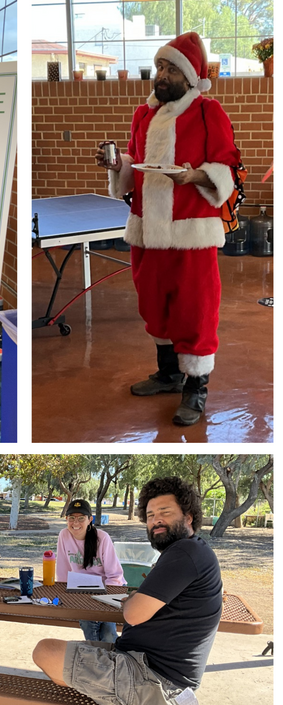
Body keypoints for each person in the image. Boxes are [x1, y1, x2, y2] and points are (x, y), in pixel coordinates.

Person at [96, 32, 245, 426]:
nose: (161, 75)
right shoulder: (142, 114)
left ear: (190, 75)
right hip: (147, 229)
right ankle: (168, 373)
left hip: (191, 234)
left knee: (195, 310)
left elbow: (228, 168)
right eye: (160, 67)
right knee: (153, 303)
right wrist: (118, 166)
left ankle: (196, 388)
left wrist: (195, 175)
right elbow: (136, 162)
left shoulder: (209, 112)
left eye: (170, 69)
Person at [33, 477, 222, 705]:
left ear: (189, 516)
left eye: (165, 512)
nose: (156, 520)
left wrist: (134, 599)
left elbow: (132, 613)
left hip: (155, 682)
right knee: (66, 657)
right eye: (151, 514)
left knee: (45, 651)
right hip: (142, 664)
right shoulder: (189, 551)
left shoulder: (185, 554)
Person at [57, 499, 125, 643]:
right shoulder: (64, 535)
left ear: (90, 519)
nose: (75, 523)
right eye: (71, 518)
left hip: (109, 589)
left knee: (108, 634)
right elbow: (63, 571)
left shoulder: (102, 538)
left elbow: (115, 575)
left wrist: (103, 601)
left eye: (81, 518)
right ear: (66, 519)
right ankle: (99, 655)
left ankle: (104, 657)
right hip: (81, 591)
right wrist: (64, 593)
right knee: (89, 622)